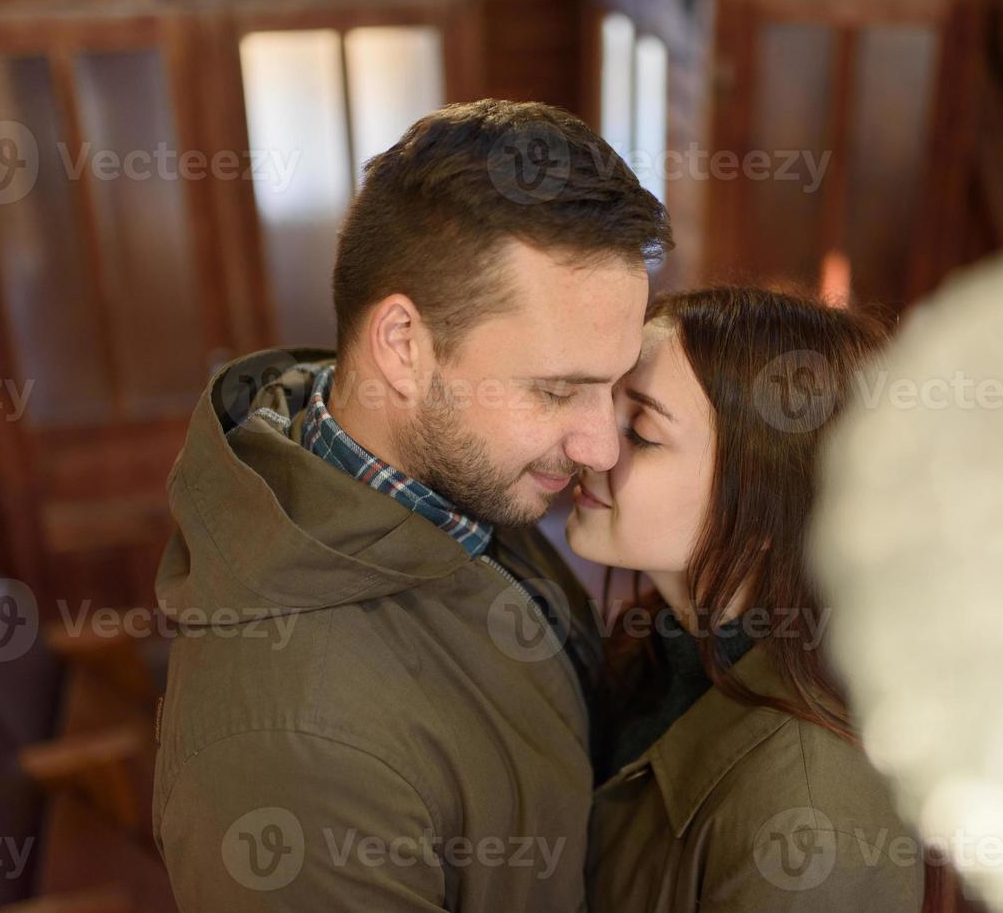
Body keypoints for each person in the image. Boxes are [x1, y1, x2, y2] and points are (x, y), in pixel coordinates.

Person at [152, 99, 672, 910]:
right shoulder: (288, 754)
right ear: (403, 346)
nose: (601, 447)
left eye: (614, 388)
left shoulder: (461, 485)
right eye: (558, 390)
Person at [568, 287, 928, 912]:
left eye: (642, 433)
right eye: (602, 406)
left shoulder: (814, 818)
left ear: (766, 503)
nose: (589, 445)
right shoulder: (654, 644)